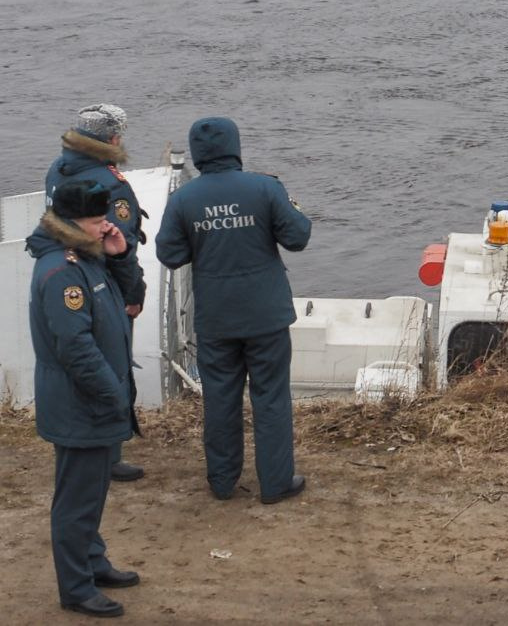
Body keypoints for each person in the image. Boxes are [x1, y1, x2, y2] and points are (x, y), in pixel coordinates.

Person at [155, 117, 312, 504]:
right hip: (266, 315)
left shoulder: (184, 200)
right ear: (235, 147)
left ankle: (222, 482)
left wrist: (204, 241)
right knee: (271, 397)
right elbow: (298, 236)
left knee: (220, 398)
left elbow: (169, 254)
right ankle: (275, 483)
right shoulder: (264, 187)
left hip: (216, 318)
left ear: (197, 153)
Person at [27, 180, 141, 618]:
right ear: (72, 225)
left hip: (94, 400)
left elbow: (130, 295)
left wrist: (120, 254)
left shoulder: (89, 259)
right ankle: (76, 588)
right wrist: (114, 396)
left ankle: (92, 563)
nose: (105, 227)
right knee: (76, 501)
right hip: (83, 403)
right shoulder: (62, 272)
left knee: (90, 493)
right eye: (97, 222)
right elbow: (75, 347)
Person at [45, 103, 147, 484]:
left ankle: (84, 443)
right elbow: (123, 242)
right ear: (113, 138)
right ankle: (109, 452)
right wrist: (133, 290)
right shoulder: (112, 183)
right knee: (111, 362)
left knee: (78, 359)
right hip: (105, 281)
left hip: (70, 268)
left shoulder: (58, 168)